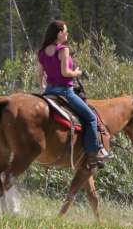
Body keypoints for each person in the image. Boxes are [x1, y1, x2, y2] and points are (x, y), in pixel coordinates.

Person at [38, 20, 112, 168]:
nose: (67, 34)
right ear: (59, 33)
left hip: (49, 92)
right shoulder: (63, 49)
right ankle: (93, 153)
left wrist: (44, 86)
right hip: (65, 92)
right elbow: (65, 72)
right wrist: (76, 72)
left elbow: (39, 74)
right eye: (65, 31)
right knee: (91, 118)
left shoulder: (42, 51)